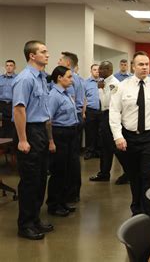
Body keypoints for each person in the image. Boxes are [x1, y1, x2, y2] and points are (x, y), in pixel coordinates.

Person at [109, 51, 150, 217]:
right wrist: (118, 136)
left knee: (149, 174)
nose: (145, 68)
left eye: (147, 64)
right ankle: (137, 209)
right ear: (133, 66)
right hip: (129, 137)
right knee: (134, 176)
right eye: (141, 64)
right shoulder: (122, 87)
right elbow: (114, 113)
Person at [12, 40, 54, 240]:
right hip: (28, 131)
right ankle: (25, 224)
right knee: (29, 181)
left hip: (40, 131)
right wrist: (22, 139)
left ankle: (35, 219)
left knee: (39, 179)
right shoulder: (25, 78)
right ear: (32, 55)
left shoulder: (42, 78)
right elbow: (19, 109)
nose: (47, 54)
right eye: (43, 51)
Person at [46, 66, 79, 217]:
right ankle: (53, 204)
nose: (71, 79)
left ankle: (62, 201)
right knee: (58, 172)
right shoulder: (54, 95)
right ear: (59, 78)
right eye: (69, 76)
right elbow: (48, 120)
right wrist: (51, 141)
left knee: (67, 171)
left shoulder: (66, 94)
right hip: (60, 135)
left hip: (71, 134)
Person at [90, 61, 128, 184]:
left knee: (114, 147)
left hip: (110, 116)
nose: (99, 71)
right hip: (104, 116)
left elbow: (108, 103)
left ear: (109, 70)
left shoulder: (113, 84)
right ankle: (104, 173)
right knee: (105, 147)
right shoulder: (104, 82)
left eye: (101, 69)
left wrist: (101, 90)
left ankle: (128, 173)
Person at [57, 51, 85, 204]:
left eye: (60, 60)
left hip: (71, 120)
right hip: (77, 118)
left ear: (68, 64)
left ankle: (71, 194)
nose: (57, 61)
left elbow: (71, 101)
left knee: (70, 160)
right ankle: (73, 193)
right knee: (73, 158)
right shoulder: (79, 78)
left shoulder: (70, 81)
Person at [84, 64, 101, 160]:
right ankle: (89, 151)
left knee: (100, 133)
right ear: (91, 71)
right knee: (90, 132)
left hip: (101, 110)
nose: (97, 71)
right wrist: (83, 112)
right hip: (90, 110)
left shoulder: (103, 82)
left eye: (98, 70)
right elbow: (84, 98)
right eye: (94, 69)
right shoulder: (86, 83)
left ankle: (98, 151)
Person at [0, 59, 17, 137]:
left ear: (14, 67)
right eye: (7, 65)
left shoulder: (18, 78)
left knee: (12, 126)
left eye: (11, 65)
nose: (9, 67)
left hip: (13, 104)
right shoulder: (0, 78)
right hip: (2, 104)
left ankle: (11, 144)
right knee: (3, 127)